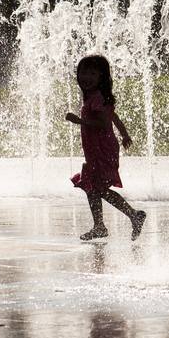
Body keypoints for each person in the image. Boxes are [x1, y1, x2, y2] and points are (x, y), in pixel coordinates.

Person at [65, 55, 146, 241]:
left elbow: (102, 122)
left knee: (99, 188)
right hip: (97, 150)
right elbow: (113, 117)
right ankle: (99, 226)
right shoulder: (96, 97)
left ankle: (134, 215)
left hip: (102, 150)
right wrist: (124, 134)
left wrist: (80, 121)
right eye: (83, 72)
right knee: (92, 188)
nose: (86, 77)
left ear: (102, 76)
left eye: (92, 73)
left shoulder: (97, 98)